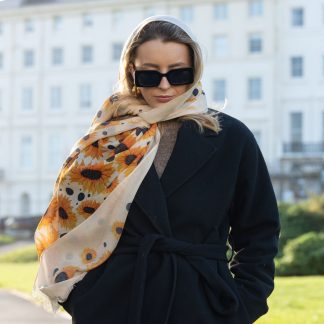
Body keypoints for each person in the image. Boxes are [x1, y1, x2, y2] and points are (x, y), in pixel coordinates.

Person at [33, 15, 280, 324]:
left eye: (178, 74)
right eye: (150, 75)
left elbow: (259, 232)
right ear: (131, 72)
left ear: (195, 71)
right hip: (115, 306)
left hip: (202, 306)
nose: (165, 85)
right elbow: (67, 222)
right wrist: (87, 299)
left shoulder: (231, 138)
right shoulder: (104, 140)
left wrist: (242, 305)